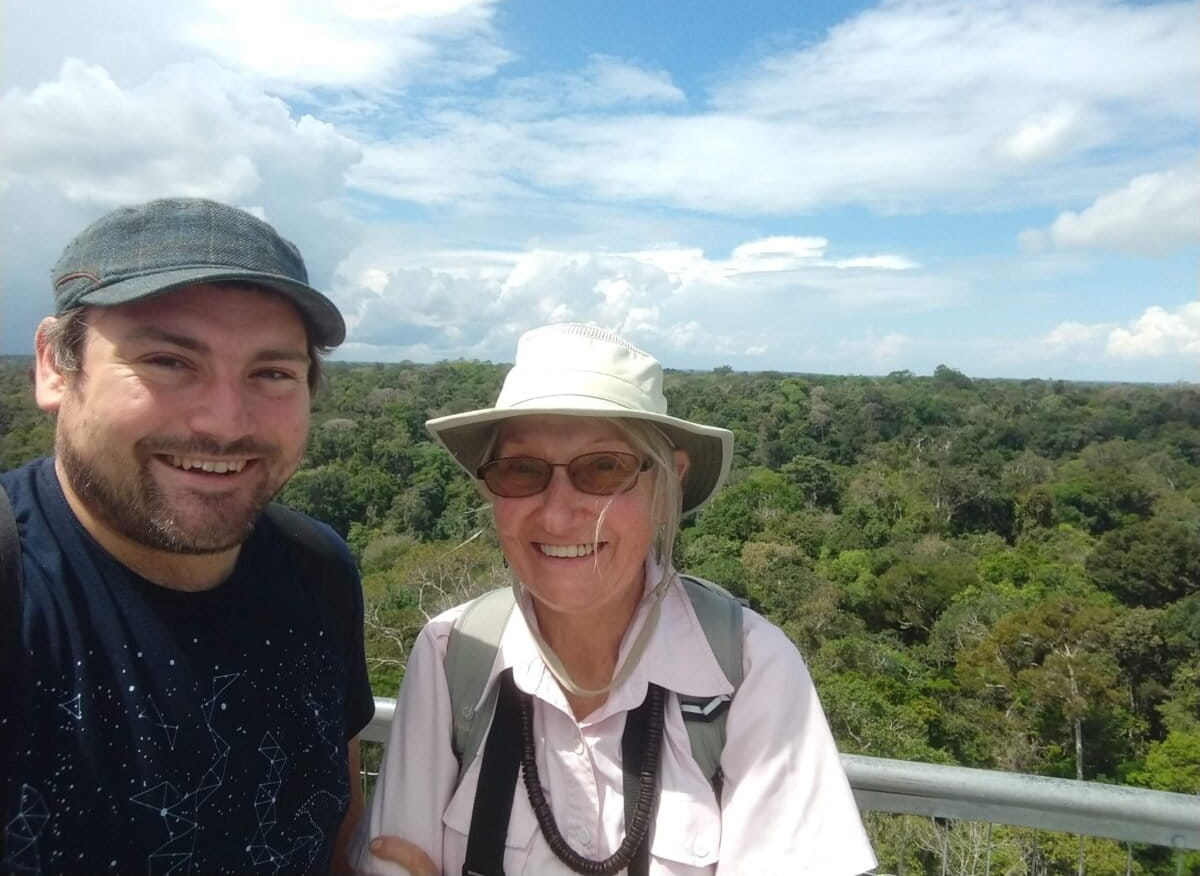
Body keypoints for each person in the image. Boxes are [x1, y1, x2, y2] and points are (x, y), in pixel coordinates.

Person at [353, 324, 876, 875]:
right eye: (523, 470)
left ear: (667, 482)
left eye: (604, 468)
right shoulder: (453, 655)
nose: (557, 515)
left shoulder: (746, 671)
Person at [0, 198, 374, 875]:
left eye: (271, 373)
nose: (225, 422)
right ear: (56, 366)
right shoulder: (17, 584)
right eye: (169, 360)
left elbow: (334, 833)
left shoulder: (318, 571)